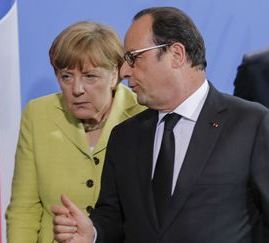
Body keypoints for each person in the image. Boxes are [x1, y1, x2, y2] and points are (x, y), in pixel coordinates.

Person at [52, 7, 269, 243]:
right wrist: (92, 234)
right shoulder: (124, 136)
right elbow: (113, 217)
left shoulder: (252, 124)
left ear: (176, 54)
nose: (124, 71)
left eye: (134, 57)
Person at [5, 21, 146, 243]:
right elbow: (24, 209)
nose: (77, 89)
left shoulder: (143, 115)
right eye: (66, 76)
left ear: (114, 75)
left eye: (90, 76)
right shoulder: (38, 114)